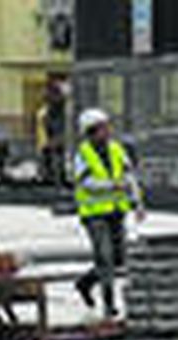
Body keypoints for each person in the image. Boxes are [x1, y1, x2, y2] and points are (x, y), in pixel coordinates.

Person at [73, 108, 144, 319]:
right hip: (94, 215)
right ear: (91, 132)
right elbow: (85, 183)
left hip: (116, 212)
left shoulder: (116, 150)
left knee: (120, 258)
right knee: (105, 258)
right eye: (102, 128)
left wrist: (137, 203)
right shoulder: (83, 154)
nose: (107, 131)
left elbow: (129, 177)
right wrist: (111, 186)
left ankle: (85, 283)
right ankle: (109, 304)